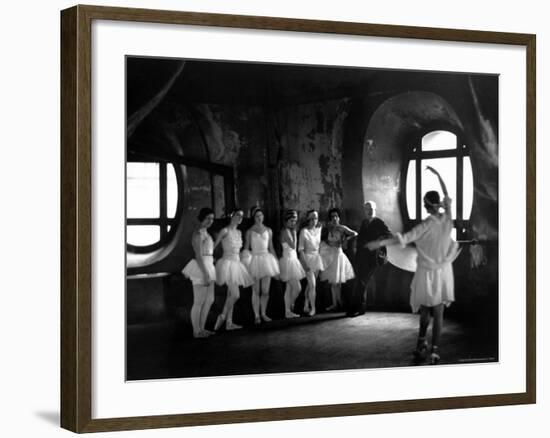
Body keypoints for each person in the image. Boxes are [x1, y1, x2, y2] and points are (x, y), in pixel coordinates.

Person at [367, 166, 460, 364]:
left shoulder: (426, 225)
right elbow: (447, 195)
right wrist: (438, 175)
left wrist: (380, 243)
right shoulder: (447, 218)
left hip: (426, 272)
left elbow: (404, 238)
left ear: (427, 206)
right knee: (439, 311)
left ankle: (421, 343)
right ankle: (434, 350)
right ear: (439, 204)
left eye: (424, 204)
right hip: (443, 271)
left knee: (425, 311)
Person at [347, 201, 391, 317]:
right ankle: (360, 308)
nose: (370, 211)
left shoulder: (379, 222)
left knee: (361, 282)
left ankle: (355, 309)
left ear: (375, 209)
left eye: (372, 209)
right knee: (360, 282)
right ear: (364, 210)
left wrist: (377, 242)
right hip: (362, 257)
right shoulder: (364, 222)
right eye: (367, 209)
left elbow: (389, 235)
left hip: (373, 258)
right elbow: (360, 238)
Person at [213, 208, 254, 331]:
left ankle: (229, 323)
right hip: (227, 263)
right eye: (237, 215)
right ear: (232, 216)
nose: (240, 218)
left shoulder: (239, 232)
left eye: (242, 216)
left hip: (237, 264)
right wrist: (210, 258)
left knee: (230, 295)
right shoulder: (224, 231)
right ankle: (222, 316)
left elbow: (239, 250)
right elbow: (214, 246)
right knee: (235, 295)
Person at [181, 207, 217, 338]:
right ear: (202, 218)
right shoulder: (198, 233)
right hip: (201, 267)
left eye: (212, 219)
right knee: (198, 301)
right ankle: (196, 331)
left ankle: (202, 328)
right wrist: (205, 273)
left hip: (209, 265)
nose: (210, 221)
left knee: (210, 299)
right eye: (208, 218)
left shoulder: (206, 233)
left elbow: (208, 252)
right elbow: (198, 255)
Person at [242, 207, 280, 324]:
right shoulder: (249, 231)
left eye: (261, 216)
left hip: (266, 259)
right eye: (257, 216)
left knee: (265, 291)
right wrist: (243, 260)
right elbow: (246, 247)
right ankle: (256, 315)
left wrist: (277, 262)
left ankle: (263, 313)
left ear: (263, 217)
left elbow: (271, 247)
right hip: (254, 259)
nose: (259, 218)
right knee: (256, 291)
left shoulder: (268, 230)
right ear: (254, 218)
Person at [320, 208, 358, 311]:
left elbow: (355, 233)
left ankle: (339, 303)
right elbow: (326, 241)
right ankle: (335, 304)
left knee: (338, 283)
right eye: (332, 217)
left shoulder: (342, 228)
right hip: (330, 256)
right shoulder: (329, 228)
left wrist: (346, 239)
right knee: (333, 283)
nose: (334, 218)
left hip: (338, 256)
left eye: (336, 216)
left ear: (339, 218)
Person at [279, 209, 306, 318]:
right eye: (291, 221)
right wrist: (295, 232)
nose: (293, 223)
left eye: (295, 221)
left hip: (293, 260)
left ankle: (287, 311)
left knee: (289, 289)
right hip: (288, 261)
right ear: (286, 221)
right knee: (297, 288)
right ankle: (291, 305)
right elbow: (293, 246)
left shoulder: (290, 230)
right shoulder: (285, 231)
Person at [298, 210, 324, 316]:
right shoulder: (304, 231)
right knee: (312, 285)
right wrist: (305, 264)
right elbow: (300, 249)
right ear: (308, 219)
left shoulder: (319, 229)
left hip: (316, 259)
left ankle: (306, 304)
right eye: (312, 218)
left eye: (316, 218)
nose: (314, 220)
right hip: (307, 258)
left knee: (310, 285)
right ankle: (313, 309)